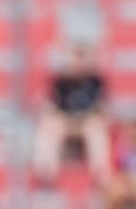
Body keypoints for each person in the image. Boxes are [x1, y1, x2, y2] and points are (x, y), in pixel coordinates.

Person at [31, 44, 110, 186]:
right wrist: (61, 118)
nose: (78, 63)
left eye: (82, 58)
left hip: (86, 123)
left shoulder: (96, 81)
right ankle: (46, 173)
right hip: (64, 121)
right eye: (75, 58)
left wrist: (93, 116)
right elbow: (50, 107)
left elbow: (103, 108)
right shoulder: (60, 81)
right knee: (49, 126)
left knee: (97, 129)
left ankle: (100, 174)